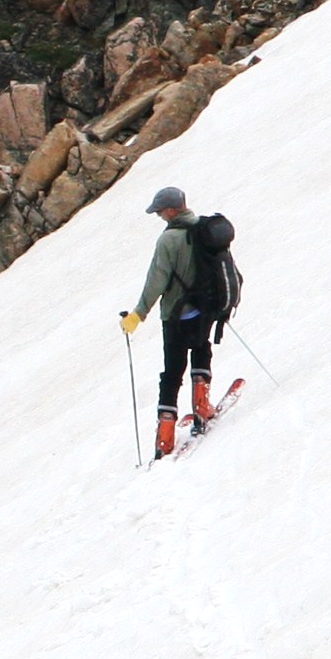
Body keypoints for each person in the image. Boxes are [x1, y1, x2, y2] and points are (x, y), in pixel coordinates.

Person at [119, 185, 238, 458]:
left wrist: (138, 313)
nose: (160, 216)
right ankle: (201, 406)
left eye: (161, 211)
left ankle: (165, 437)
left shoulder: (168, 240)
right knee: (201, 351)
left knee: (172, 372)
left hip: (175, 314)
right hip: (203, 308)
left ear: (172, 209)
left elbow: (156, 281)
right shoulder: (203, 230)